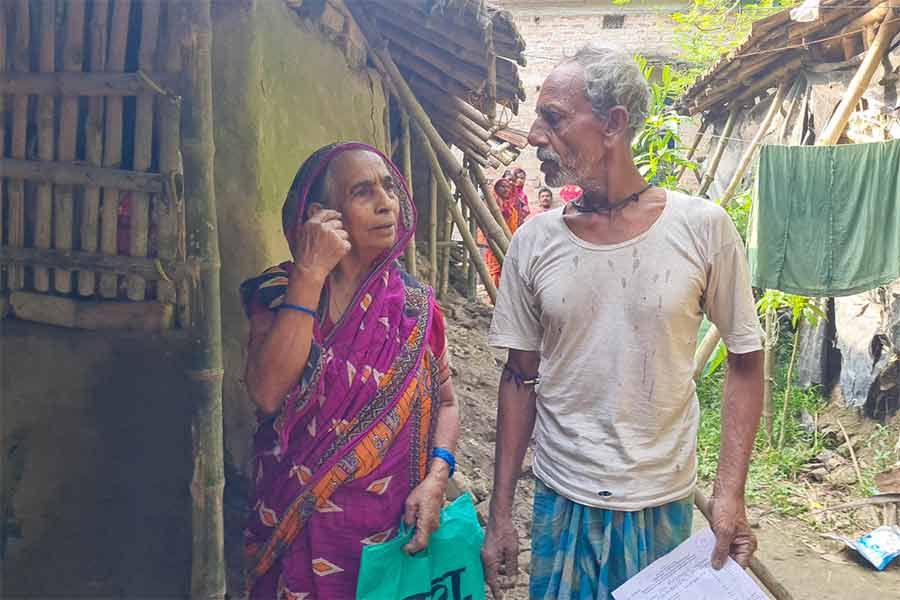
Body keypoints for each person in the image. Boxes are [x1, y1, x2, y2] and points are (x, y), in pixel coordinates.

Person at [481, 45, 763, 600]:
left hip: (660, 501)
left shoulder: (702, 228)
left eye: (555, 118)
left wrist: (730, 493)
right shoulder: (534, 242)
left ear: (612, 124)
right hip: (561, 497)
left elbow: (746, 363)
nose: (535, 135)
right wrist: (500, 515)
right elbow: (519, 378)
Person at [241, 142, 460, 599]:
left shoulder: (415, 308)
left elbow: (446, 402)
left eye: (389, 187)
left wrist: (438, 477)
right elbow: (266, 393)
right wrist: (310, 271)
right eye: (363, 191)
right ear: (324, 215)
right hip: (296, 534)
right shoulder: (281, 291)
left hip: (392, 539)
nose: (386, 203)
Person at [481, 176, 521, 289]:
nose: (506, 189)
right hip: (494, 242)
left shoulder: (511, 207)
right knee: (496, 269)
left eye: (508, 187)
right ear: (496, 188)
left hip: (509, 242)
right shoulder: (491, 205)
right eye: (502, 186)